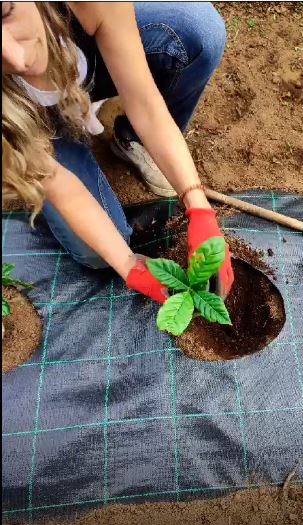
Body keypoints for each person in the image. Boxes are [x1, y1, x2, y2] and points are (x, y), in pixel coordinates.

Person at [2, 1, 234, 303]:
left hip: (85, 64)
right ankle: (71, 127)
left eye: (6, 12)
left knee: (199, 31)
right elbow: (56, 183)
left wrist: (199, 207)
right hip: (36, 124)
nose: (17, 58)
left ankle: (131, 139)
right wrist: (128, 264)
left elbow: (146, 104)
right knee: (98, 252)